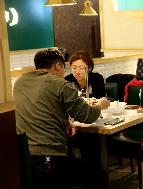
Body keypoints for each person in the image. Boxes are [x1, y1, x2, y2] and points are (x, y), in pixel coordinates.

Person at [13, 48, 110, 189]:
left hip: (23, 157)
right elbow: (87, 116)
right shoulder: (61, 84)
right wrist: (100, 105)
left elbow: (43, 106)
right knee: (99, 176)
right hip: (49, 158)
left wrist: (65, 120)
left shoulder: (20, 82)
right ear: (58, 65)